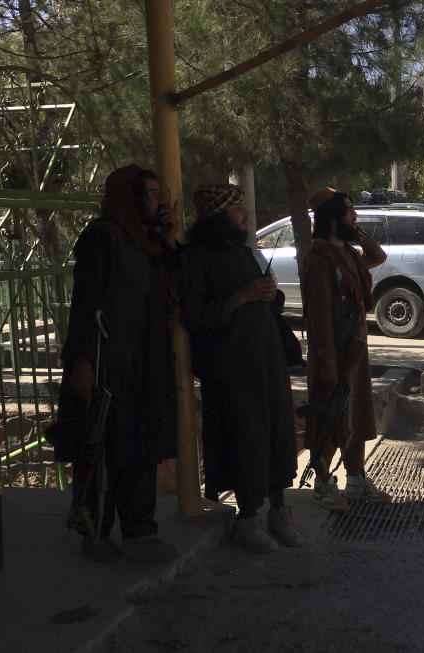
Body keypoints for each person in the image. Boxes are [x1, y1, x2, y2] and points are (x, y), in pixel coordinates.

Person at [49, 164, 180, 563]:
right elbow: (86, 304)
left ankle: (140, 532)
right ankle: (95, 529)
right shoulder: (101, 239)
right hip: (108, 365)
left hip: (144, 365)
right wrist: (83, 363)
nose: (158, 201)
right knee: (103, 449)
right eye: (151, 193)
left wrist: (169, 238)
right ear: (130, 196)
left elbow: (173, 295)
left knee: (140, 447)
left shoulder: (146, 243)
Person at [181, 184, 302, 553]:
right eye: (238, 210)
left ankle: (279, 511)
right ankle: (247, 517)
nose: (246, 216)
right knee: (246, 438)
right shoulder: (196, 258)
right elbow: (198, 317)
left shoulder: (243, 252)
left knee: (278, 432)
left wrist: (268, 294)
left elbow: (261, 300)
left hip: (266, 361)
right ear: (219, 214)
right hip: (233, 369)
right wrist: (243, 296)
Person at [302, 188, 391, 511]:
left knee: (356, 416)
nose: (355, 216)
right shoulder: (320, 258)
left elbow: (378, 257)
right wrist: (326, 360)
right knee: (329, 418)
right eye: (348, 212)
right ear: (332, 218)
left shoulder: (350, 254)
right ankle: (323, 484)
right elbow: (320, 315)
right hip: (332, 354)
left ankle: (356, 480)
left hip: (355, 351)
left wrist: (361, 236)